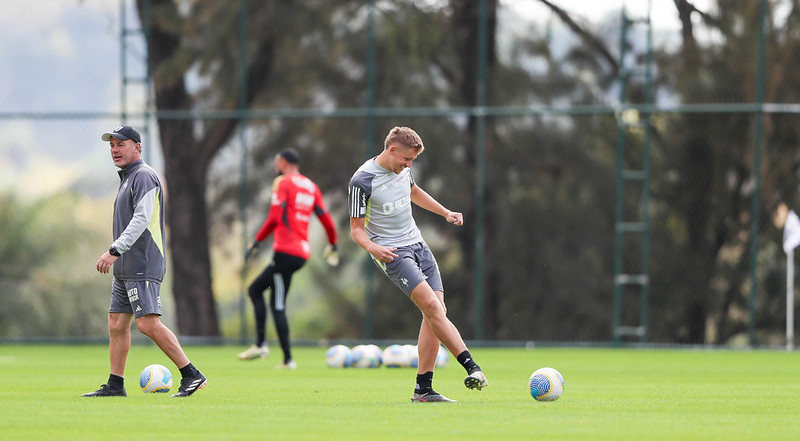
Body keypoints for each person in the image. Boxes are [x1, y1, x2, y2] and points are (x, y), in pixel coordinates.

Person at [347, 126, 488, 403]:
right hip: (393, 252)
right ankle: (473, 368)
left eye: (412, 161)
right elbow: (355, 229)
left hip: (418, 245)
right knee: (434, 308)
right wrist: (373, 247)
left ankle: (423, 390)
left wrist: (446, 212)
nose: (408, 165)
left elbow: (414, 192)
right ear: (392, 149)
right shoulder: (362, 181)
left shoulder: (404, 170)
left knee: (434, 312)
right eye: (406, 160)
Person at [83, 125, 207, 398]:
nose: (115, 149)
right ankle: (115, 385)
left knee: (147, 323)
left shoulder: (144, 176)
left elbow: (141, 218)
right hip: (127, 265)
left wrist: (114, 250)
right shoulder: (128, 177)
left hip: (143, 261)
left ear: (137, 147)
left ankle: (191, 374)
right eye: (112, 145)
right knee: (116, 322)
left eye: (121, 144)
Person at [239, 148, 339, 369]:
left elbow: (275, 217)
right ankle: (283, 357)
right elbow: (326, 220)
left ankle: (265, 346)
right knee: (269, 297)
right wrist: (334, 244)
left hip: (285, 251)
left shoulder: (283, 182)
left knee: (266, 296)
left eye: (277, 164)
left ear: (282, 163)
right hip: (301, 252)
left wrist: (256, 241)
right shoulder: (311, 186)